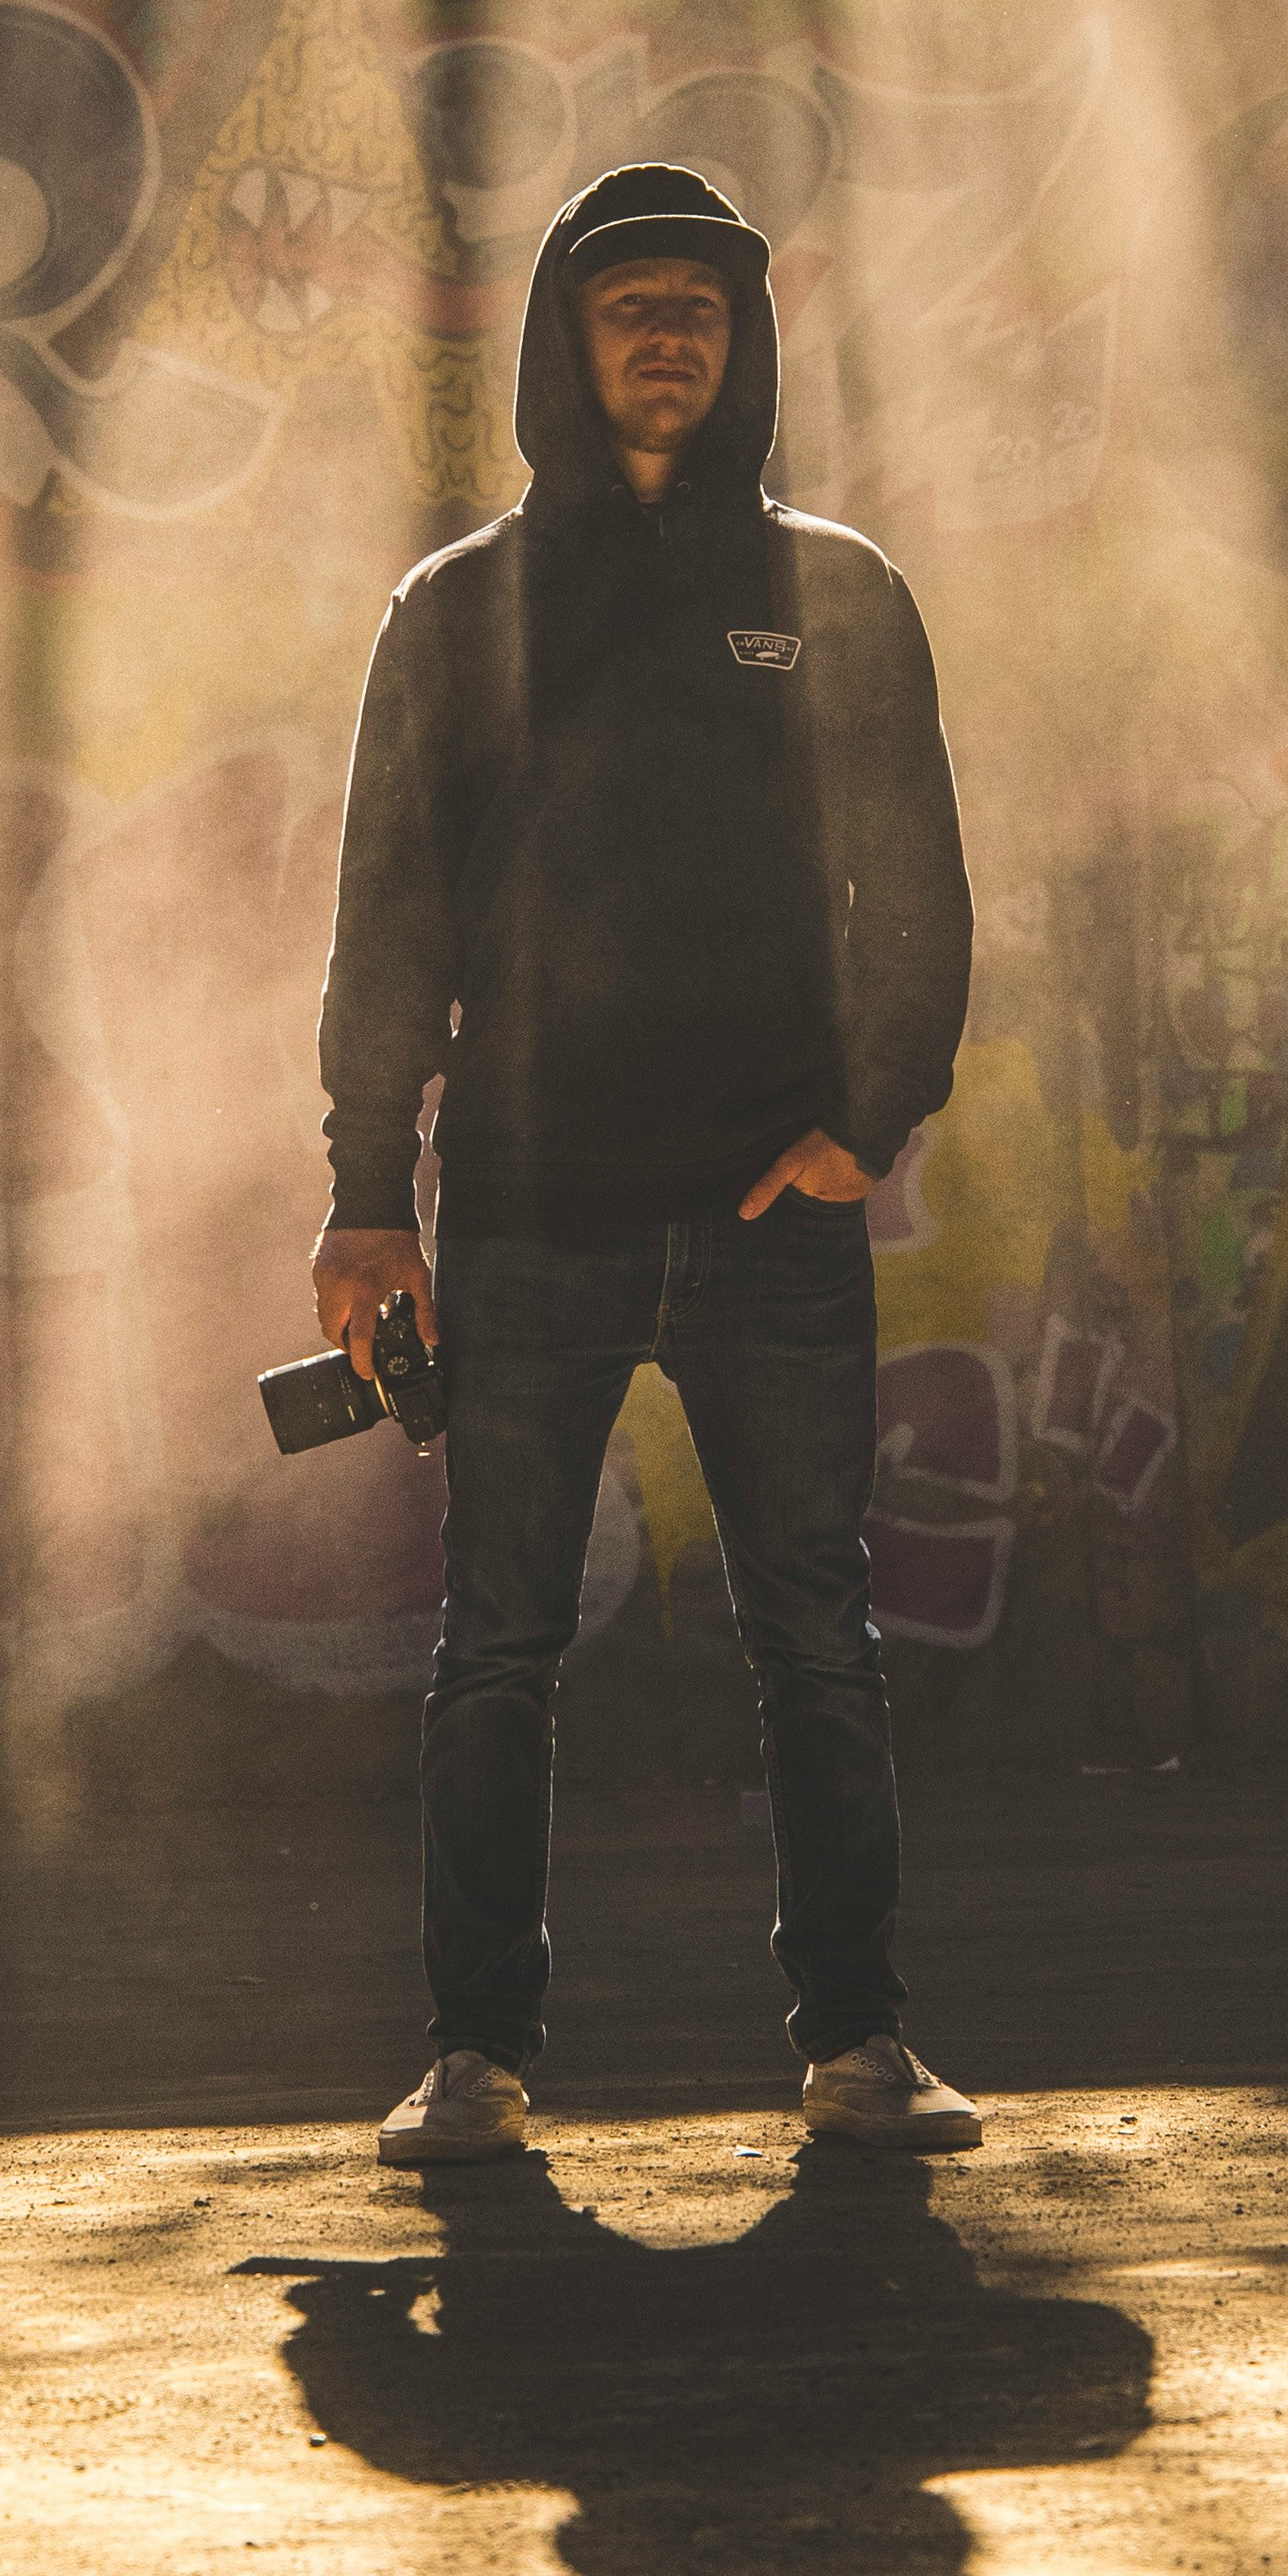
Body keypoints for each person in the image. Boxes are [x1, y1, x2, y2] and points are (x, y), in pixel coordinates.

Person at [311, 159, 983, 2169]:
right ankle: (472, 2056)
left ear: (745, 338)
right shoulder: (460, 610)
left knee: (818, 1635)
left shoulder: (839, 594)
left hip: (775, 1216)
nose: (667, 332)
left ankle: (860, 2044)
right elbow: (389, 920)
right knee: (497, 1642)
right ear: (562, 341)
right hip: (526, 1208)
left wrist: (869, 1121)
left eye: (698, 302)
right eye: (629, 305)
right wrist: (367, 1195)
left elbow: (920, 892)